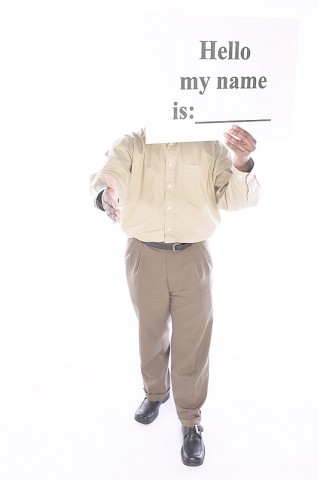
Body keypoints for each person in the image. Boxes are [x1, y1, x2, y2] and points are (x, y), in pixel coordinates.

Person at [90, 125, 260, 467]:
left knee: (192, 340)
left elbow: (235, 198)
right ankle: (156, 393)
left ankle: (191, 418)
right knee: (150, 332)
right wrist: (107, 194)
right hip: (143, 255)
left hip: (193, 256)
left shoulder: (207, 145)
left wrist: (241, 161)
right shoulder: (132, 143)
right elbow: (110, 173)